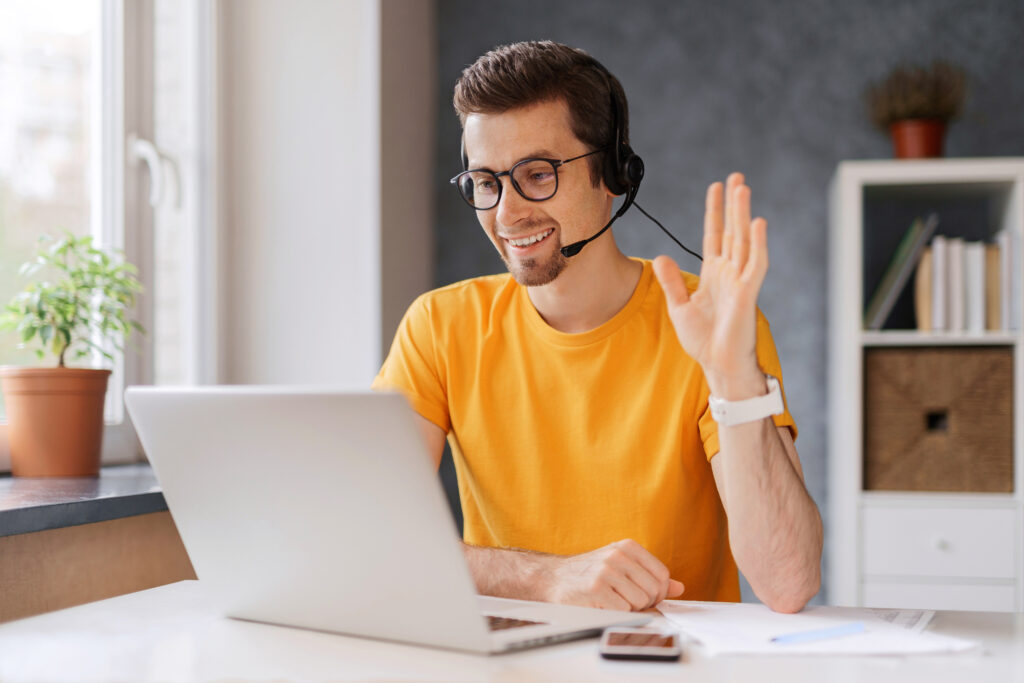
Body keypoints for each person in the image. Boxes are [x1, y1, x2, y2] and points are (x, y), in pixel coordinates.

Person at [373, 40, 822, 614]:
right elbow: (371, 539)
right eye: (486, 182)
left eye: (536, 174)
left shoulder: (714, 324)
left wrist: (731, 374)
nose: (507, 214)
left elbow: (788, 583)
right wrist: (545, 578)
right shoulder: (439, 326)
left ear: (613, 174)